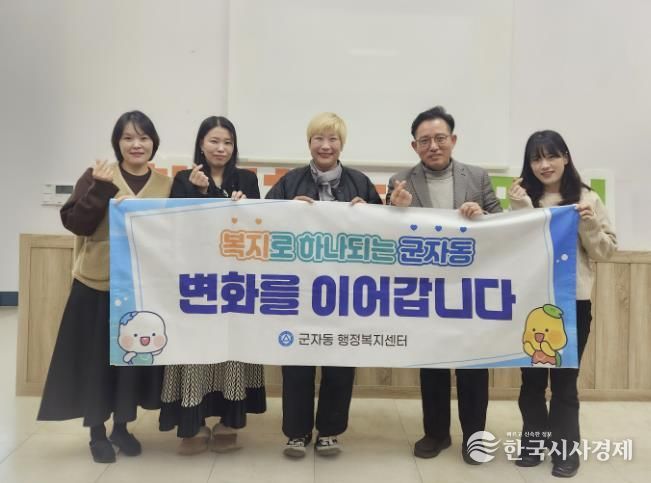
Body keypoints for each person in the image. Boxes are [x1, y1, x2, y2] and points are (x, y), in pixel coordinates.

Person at [37, 111, 172, 463]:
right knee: (95, 362)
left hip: (141, 289)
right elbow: (76, 224)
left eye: (143, 137)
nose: (136, 144)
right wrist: (101, 191)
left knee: (130, 362)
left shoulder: (166, 185)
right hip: (96, 285)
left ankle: (122, 427)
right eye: (128, 138)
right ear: (118, 143)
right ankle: (96, 431)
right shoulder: (98, 176)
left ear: (154, 143)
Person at [386, 105, 502, 464]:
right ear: (414, 146)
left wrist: (482, 216)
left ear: (453, 139)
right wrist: (395, 208)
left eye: (439, 138)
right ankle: (435, 434)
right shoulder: (400, 181)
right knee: (432, 365)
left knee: (473, 367)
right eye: (424, 141)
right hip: (425, 290)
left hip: (470, 288)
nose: (433, 146)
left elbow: (501, 223)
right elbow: (385, 233)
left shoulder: (477, 177)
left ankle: (475, 437)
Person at [266, 112, 382, 457]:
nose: (326, 145)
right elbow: (263, 223)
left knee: (340, 363)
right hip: (299, 291)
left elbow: (383, 235)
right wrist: (285, 210)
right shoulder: (290, 182)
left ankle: (330, 431)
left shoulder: (360, 182)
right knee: (297, 364)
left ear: (342, 144)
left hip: (346, 292)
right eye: (319, 138)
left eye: (333, 139)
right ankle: (297, 432)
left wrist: (370, 213)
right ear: (309, 143)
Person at [508, 130, 616, 478]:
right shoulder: (523, 198)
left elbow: (606, 252)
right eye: (536, 158)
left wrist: (589, 224)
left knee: (565, 384)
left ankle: (566, 451)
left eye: (551, 156)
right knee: (531, 382)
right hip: (531, 304)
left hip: (572, 305)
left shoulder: (587, 198)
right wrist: (521, 209)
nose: (544, 165)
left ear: (565, 158)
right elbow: (514, 250)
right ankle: (533, 444)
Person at [158, 115, 265, 455]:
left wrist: (240, 207)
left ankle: (229, 423)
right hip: (196, 282)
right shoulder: (183, 179)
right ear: (201, 144)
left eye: (227, 142)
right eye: (214, 141)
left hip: (234, 281)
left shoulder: (247, 179)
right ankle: (192, 425)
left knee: (231, 350)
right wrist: (203, 193)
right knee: (195, 352)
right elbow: (176, 226)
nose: (221, 148)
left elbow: (258, 226)